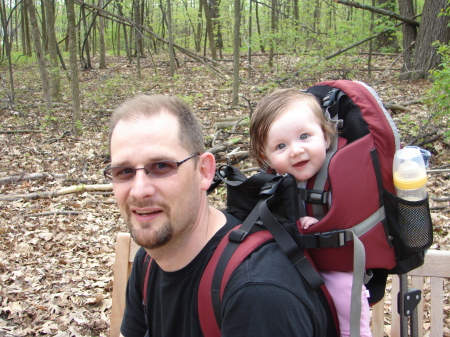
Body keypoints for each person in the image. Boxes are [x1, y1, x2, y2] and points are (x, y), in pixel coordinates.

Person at [104, 94, 333, 337]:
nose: (140, 190)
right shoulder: (149, 261)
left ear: (203, 172)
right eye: (125, 171)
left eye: (162, 166)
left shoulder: (257, 292)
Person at [249, 88, 372, 337]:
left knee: (346, 291)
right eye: (281, 146)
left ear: (326, 137)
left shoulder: (343, 171)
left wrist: (320, 222)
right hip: (292, 268)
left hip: (337, 265)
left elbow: (353, 214)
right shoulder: (274, 184)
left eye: (305, 136)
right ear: (267, 157)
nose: (295, 150)